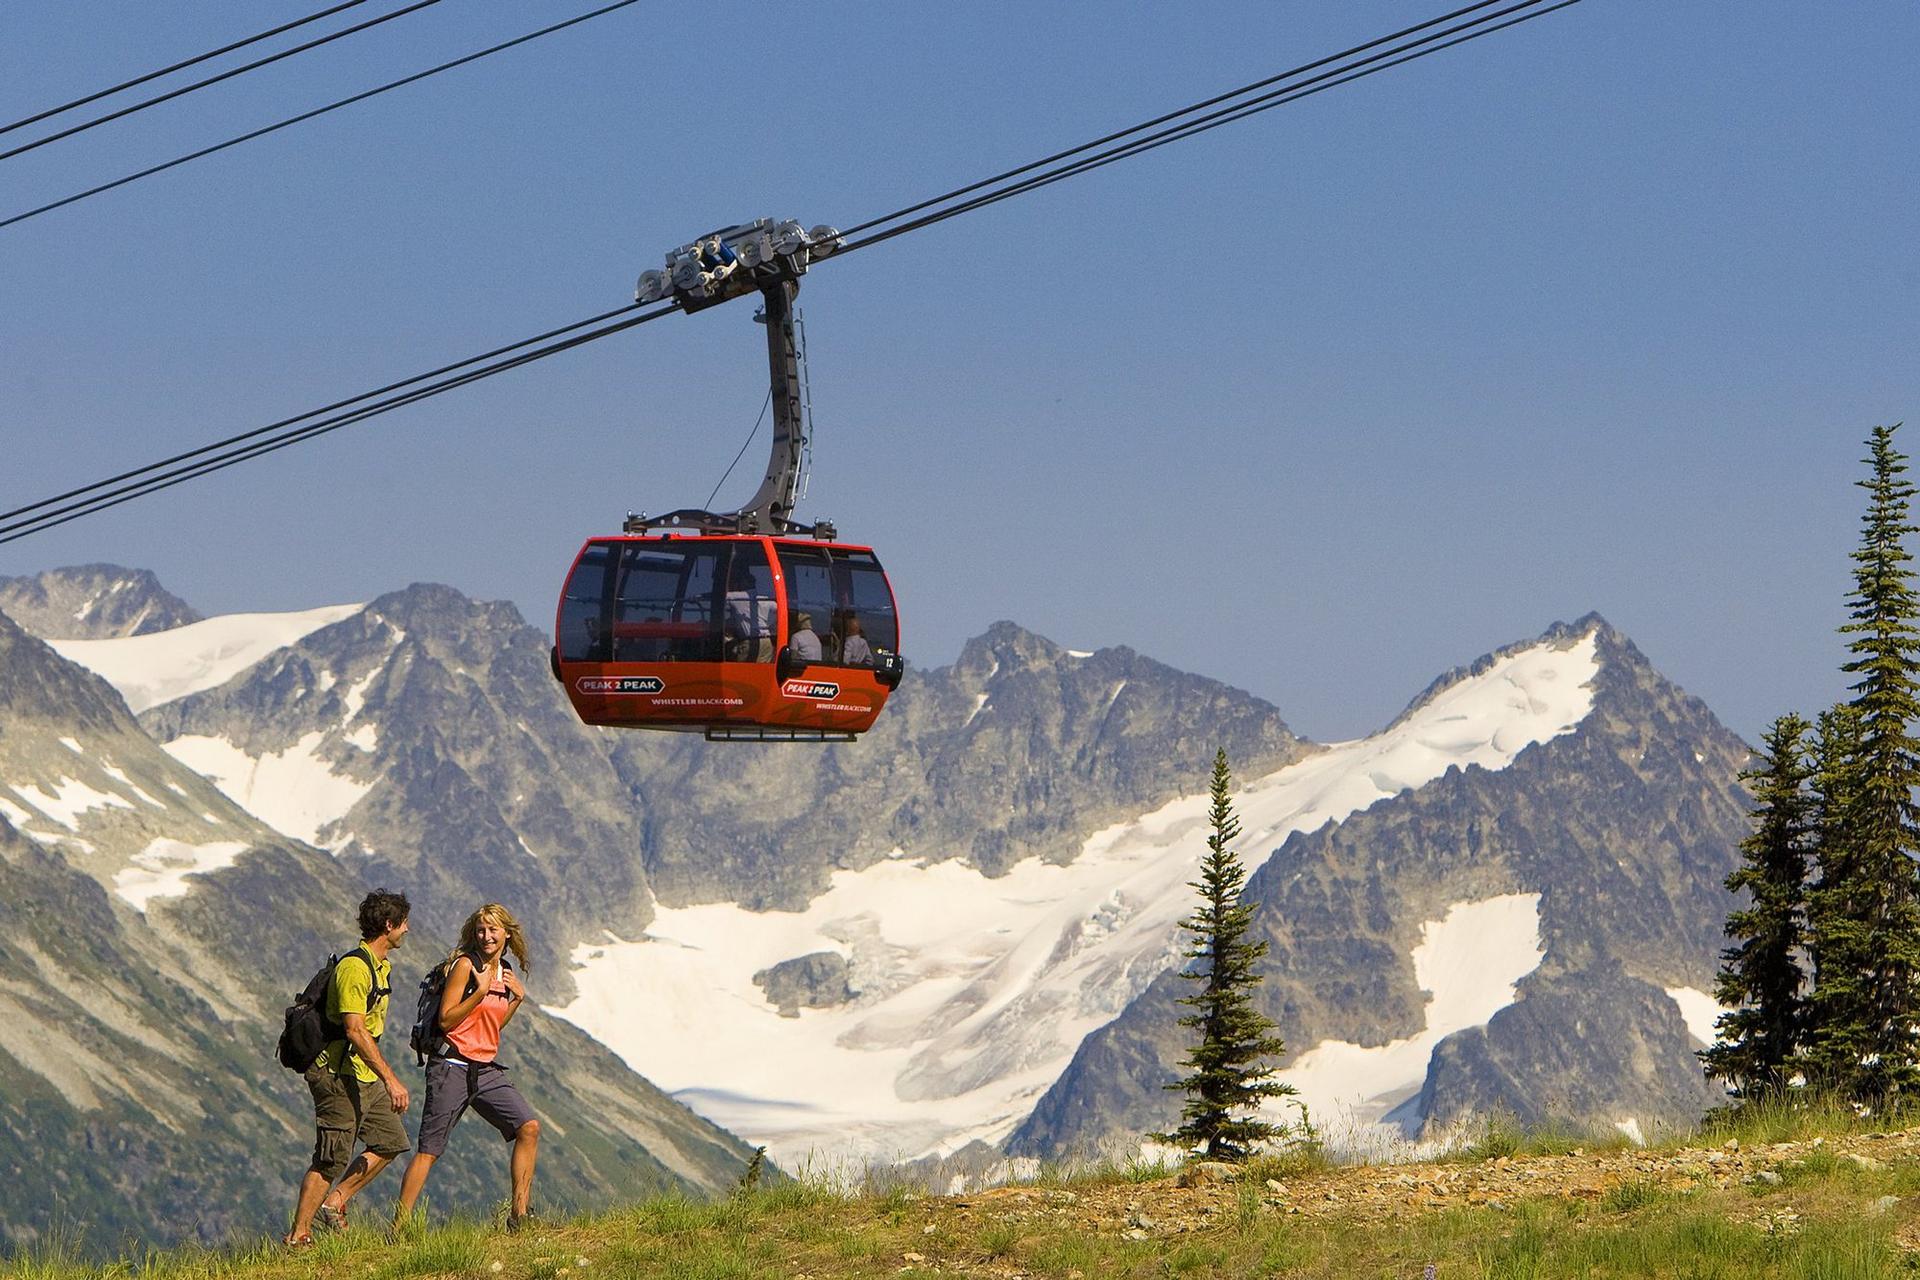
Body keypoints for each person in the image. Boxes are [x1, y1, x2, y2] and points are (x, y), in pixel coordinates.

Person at [393, 904, 542, 1232]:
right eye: (481, 930)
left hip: (485, 1069)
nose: (486, 936)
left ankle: (519, 1216)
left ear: (506, 933)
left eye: (493, 930)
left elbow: (492, 1027)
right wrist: (482, 991)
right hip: (451, 1065)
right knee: (429, 1150)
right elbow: (446, 1019)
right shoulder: (464, 965)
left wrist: (515, 1000)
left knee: (528, 1127)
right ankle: (398, 1228)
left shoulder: (503, 970)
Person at [286, 889, 413, 1247]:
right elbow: (355, 1030)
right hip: (337, 1075)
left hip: (362, 1075)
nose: (407, 930)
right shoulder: (355, 968)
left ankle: (335, 1201)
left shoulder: (380, 966)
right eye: (403, 923)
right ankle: (299, 1237)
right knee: (330, 1158)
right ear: (388, 925)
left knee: (390, 1142)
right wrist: (392, 1080)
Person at [724, 561, 775, 661]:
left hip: (751, 642)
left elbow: (720, 596)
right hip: (766, 641)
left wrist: (696, 597)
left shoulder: (739, 597)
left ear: (743, 583)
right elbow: (778, 610)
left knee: (742, 670)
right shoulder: (765, 599)